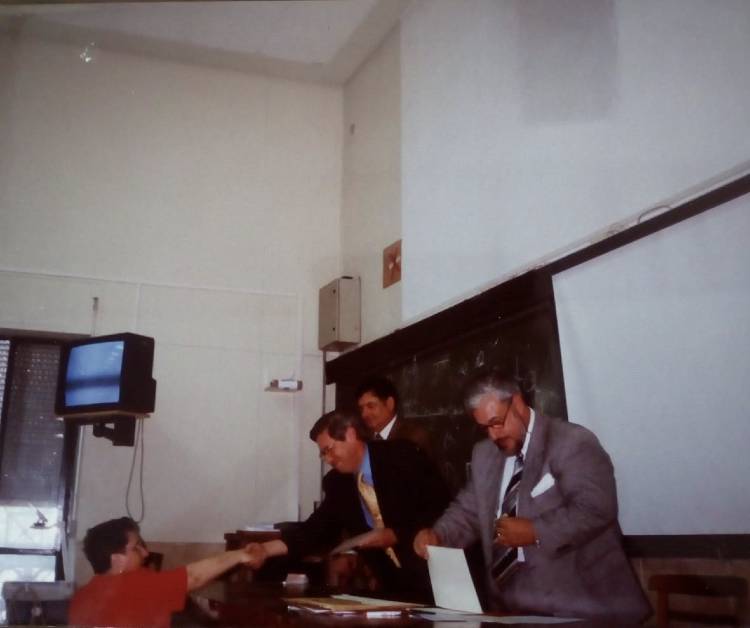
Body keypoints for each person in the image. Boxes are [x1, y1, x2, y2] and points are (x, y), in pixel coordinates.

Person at [413, 371, 650, 622]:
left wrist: (535, 531)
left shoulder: (571, 442)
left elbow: (596, 508)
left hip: (583, 605)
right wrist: (438, 535)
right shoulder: (484, 454)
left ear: (517, 402)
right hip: (512, 608)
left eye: (497, 422)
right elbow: (469, 510)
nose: (493, 435)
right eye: (485, 428)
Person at [247, 410, 449, 601]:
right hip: (394, 589)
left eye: (328, 450)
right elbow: (313, 531)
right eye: (322, 454)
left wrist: (397, 534)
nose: (327, 459)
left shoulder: (401, 455)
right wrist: (265, 550)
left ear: (350, 434)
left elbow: (440, 505)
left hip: (438, 575)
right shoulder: (338, 483)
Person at [69, 517, 259, 627]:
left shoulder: (81, 596)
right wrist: (240, 555)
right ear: (117, 560)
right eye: (136, 548)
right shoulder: (134, 585)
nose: (145, 553)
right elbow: (194, 577)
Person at [355, 375, 432, 454]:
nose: (364, 414)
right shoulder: (361, 439)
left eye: (371, 406)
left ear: (390, 404)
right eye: (361, 409)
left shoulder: (413, 438)